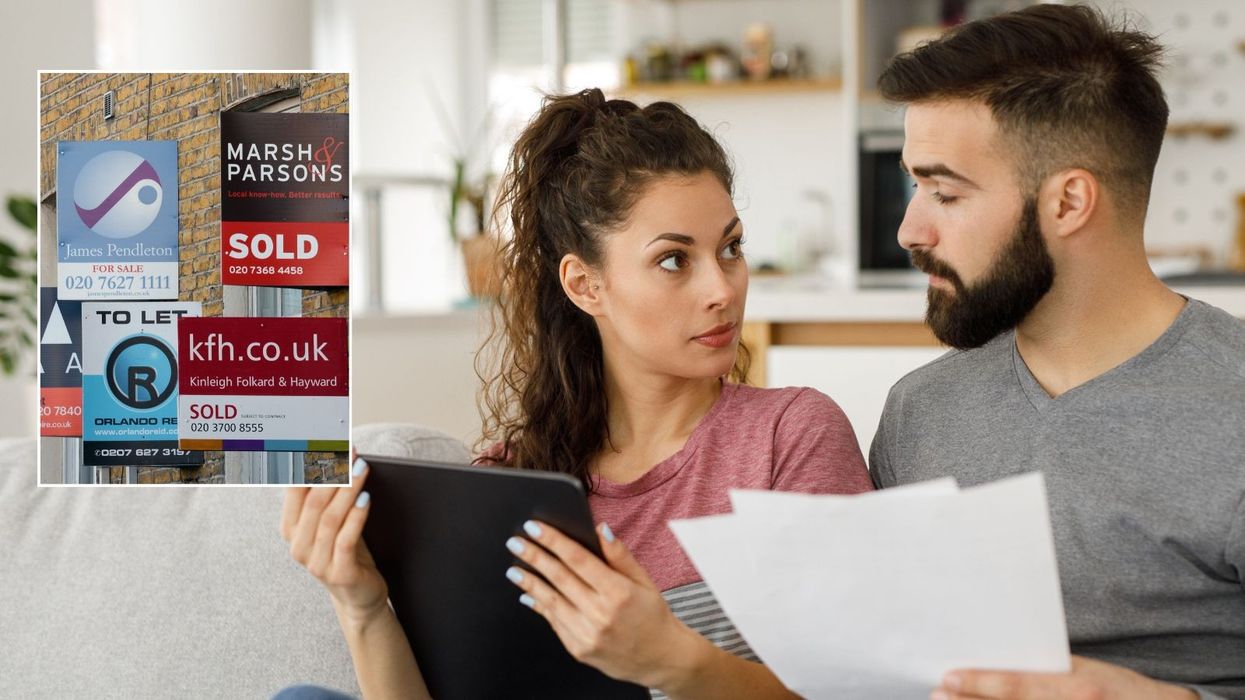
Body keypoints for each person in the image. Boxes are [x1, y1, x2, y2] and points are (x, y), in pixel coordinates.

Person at [279, 88, 873, 699]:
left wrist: (672, 659)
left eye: (731, 248)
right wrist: (364, 606)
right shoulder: (512, 480)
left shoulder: (790, 436)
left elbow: (861, 690)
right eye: (674, 260)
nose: (722, 288)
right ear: (586, 285)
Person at [868, 5, 1245, 700]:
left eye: (943, 192)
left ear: (1069, 202)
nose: (908, 229)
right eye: (913, 186)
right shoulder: (919, 410)